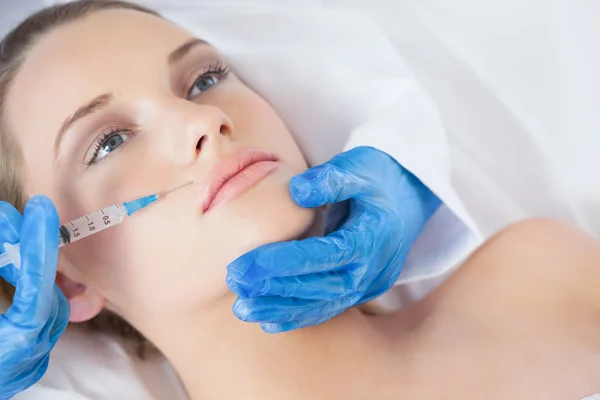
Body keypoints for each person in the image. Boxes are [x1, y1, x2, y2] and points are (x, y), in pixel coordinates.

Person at [0, 1, 598, 399]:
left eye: (204, 79)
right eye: (108, 142)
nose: (203, 119)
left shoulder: (538, 278)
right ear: (65, 278)